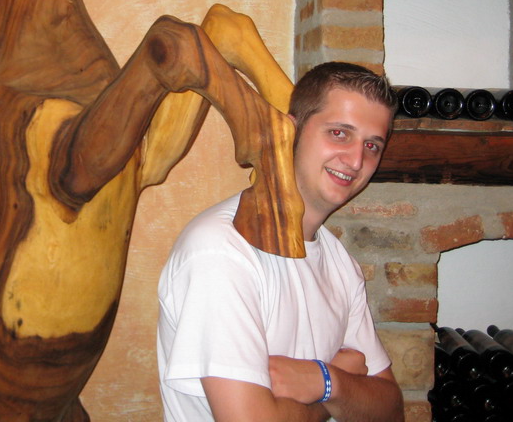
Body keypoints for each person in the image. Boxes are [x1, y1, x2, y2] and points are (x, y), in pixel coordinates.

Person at [157, 62, 405, 422]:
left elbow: (390, 410)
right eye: (339, 133)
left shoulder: (339, 261)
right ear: (291, 131)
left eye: (372, 145)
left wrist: (325, 380)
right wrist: (336, 388)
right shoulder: (221, 251)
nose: (355, 160)